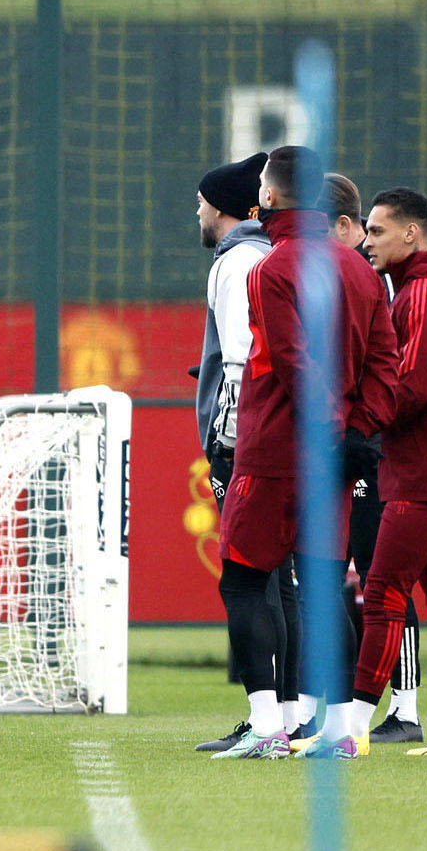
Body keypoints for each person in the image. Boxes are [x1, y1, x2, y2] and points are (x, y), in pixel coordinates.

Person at [209, 145, 396, 760]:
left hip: (275, 450)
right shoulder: (359, 268)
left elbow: (292, 362)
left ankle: (268, 727)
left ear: (268, 197)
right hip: (338, 456)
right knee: (322, 585)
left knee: (243, 581)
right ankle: (341, 731)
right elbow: (383, 362)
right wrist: (360, 434)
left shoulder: (274, 267)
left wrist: (333, 428)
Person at [319, 188, 427, 758]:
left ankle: (355, 729)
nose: (368, 241)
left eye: (377, 230)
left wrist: (358, 422)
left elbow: (411, 385)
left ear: (411, 234)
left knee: (382, 590)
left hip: (424, 472)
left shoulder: (422, 296)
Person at [188, 154, 275, 752]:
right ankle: (292, 714)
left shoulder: (235, 262)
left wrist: (229, 441)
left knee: (249, 581)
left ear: (223, 208)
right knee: (286, 583)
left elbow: (244, 359)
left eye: (201, 201)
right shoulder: (268, 257)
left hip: (248, 443)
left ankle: (267, 718)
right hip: (281, 439)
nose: (196, 211)